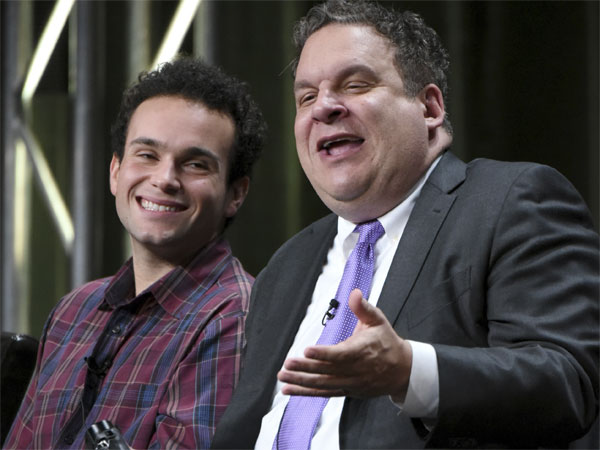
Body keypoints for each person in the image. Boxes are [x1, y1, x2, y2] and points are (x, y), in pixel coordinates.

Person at [210, 1, 599, 449]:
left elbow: (568, 384)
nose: (325, 108)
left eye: (354, 84)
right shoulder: (285, 267)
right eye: (307, 97)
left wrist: (409, 370)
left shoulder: (511, 201)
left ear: (429, 108)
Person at [5, 57, 266, 449]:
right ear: (115, 171)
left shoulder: (235, 319)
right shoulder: (74, 311)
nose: (164, 179)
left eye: (195, 164)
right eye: (147, 154)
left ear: (235, 193)